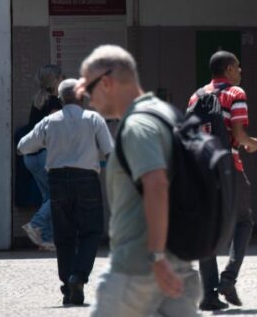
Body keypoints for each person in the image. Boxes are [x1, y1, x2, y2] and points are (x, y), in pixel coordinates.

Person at [78, 45, 202, 317]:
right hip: (178, 266)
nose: (89, 101)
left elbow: (156, 184)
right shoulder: (167, 114)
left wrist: (156, 256)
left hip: (137, 272)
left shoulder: (137, 126)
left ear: (106, 83)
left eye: (88, 91)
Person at [17, 78, 113, 306]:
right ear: (82, 96)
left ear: (60, 99)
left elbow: (22, 147)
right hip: (87, 181)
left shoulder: (50, 121)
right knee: (91, 232)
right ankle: (78, 277)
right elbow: (110, 151)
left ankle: (68, 287)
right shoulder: (94, 119)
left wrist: (50, 142)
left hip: (57, 181)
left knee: (64, 236)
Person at [188, 50, 257, 311]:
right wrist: (253, 143)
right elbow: (239, 136)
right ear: (228, 69)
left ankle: (208, 295)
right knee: (243, 221)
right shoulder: (235, 94)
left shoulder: (196, 96)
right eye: (238, 66)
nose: (240, 71)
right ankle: (228, 280)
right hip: (228, 168)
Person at [15, 64, 63, 251]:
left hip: (30, 157)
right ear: (55, 81)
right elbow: (56, 130)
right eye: (61, 78)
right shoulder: (54, 103)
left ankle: (46, 240)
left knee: (48, 197)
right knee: (59, 194)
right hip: (46, 156)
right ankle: (36, 224)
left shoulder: (37, 100)